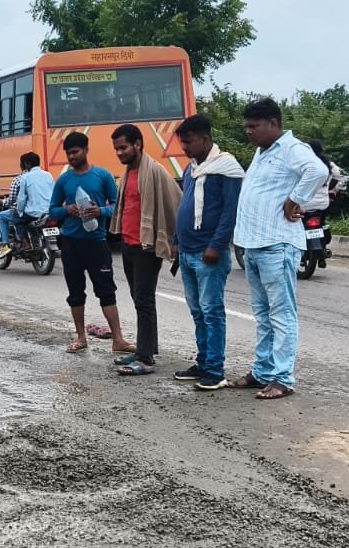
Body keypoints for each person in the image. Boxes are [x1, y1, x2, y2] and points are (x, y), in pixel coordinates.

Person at [231, 98, 329, 399]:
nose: (249, 132)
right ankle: (262, 370)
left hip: (277, 244)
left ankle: (283, 378)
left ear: (273, 123)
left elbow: (317, 170)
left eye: (254, 126)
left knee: (281, 314)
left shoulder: (292, 148)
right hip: (255, 244)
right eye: (247, 126)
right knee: (262, 313)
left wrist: (295, 198)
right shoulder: (263, 151)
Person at [171, 114, 245, 390]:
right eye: (183, 143)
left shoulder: (226, 168)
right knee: (197, 311)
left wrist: (216, 245)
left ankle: (215, 369)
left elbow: (229, 212)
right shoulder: (192, 169)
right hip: (188, 251)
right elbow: (184, 206)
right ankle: (203, 362)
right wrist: (176, 240)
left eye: (188, 142)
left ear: (205, 139)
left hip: (208, 253)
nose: (185, 148)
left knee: (212, 311)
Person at [108, 124, 181, 376]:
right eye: (116, 149)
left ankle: (146, 358)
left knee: (145, 301)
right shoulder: (128, 173)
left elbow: (176, 202)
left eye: (123, 147)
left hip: (147, 246)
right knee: (139, 300)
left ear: (138, 144)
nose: (119, 153)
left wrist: (174, 241)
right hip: (128, 245)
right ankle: (143, 349)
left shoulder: (155, 172)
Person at [49, 131, 128, 356]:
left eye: (75, 152)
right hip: (71, 243)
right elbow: (52, 209)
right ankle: (81, 337)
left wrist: (99, 211)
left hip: (97, 242)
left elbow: (117, 206)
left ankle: (118, 340)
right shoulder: (64, 180)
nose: (71, 157)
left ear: (86, 150)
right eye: (68, 154)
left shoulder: (103, 176)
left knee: (106, 291)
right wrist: (67, 209)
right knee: (75, 292)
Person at [0, 151, 55, 256]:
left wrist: (19, 211)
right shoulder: (48, 175)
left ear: (28, 164)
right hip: (49, 212)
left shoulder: (25, 178)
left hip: (33, 213)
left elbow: (21, 199)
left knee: (10, 217)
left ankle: (19, 244)